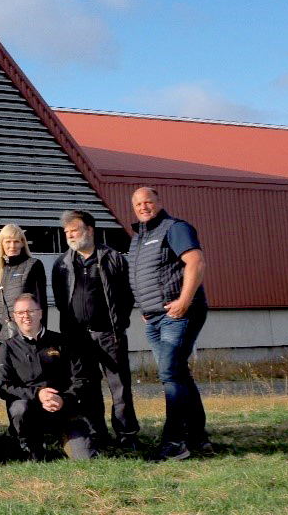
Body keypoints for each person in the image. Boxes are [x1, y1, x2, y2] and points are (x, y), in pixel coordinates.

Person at [128, 186, 210, 460]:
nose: (143, 207)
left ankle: (175, 443)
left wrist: (184, 300)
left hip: (178, 314)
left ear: (159, 202)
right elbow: (150, 274)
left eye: (148, 201)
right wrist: (146, 307)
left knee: (170, 374)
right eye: (138, 204)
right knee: (179, 374)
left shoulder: (175, 228)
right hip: (154, 318)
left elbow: (195, 262)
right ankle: (197, 437)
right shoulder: (139, 237)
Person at [53, 209, 140, 449]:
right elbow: (62, 302)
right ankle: (98, 435)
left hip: (109, 335)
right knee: (88, 388)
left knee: (120, 387)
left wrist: (117, 326)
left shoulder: (112, 258)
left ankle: (127, 436)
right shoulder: (62, 264)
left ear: (89, 230)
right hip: (78, 338)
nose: (70, 235)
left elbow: (126, 297)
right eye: (66, 232)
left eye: (75, 230)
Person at [0, 295, 100, 461]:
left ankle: (67, 438)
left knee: (85, 457)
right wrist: (37, 394)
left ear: (40, 313)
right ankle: (30, 446)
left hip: (62, 409)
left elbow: (81, 379)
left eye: (31, 311)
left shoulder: (62, 342)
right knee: (19, 409)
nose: (26, 316)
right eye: (21, 312)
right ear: (14, 317)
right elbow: (4, 387)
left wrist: (63, 398)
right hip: (30, 411)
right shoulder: (8, 348)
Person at [0, 225, 46, 352]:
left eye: (16, 241)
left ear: (22, 243)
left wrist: (41, 335)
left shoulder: (33, 265)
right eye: (8, 241)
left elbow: (41, 303)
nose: (12, 245)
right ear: (1, 244)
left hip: (27, 336)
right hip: (3, 339)